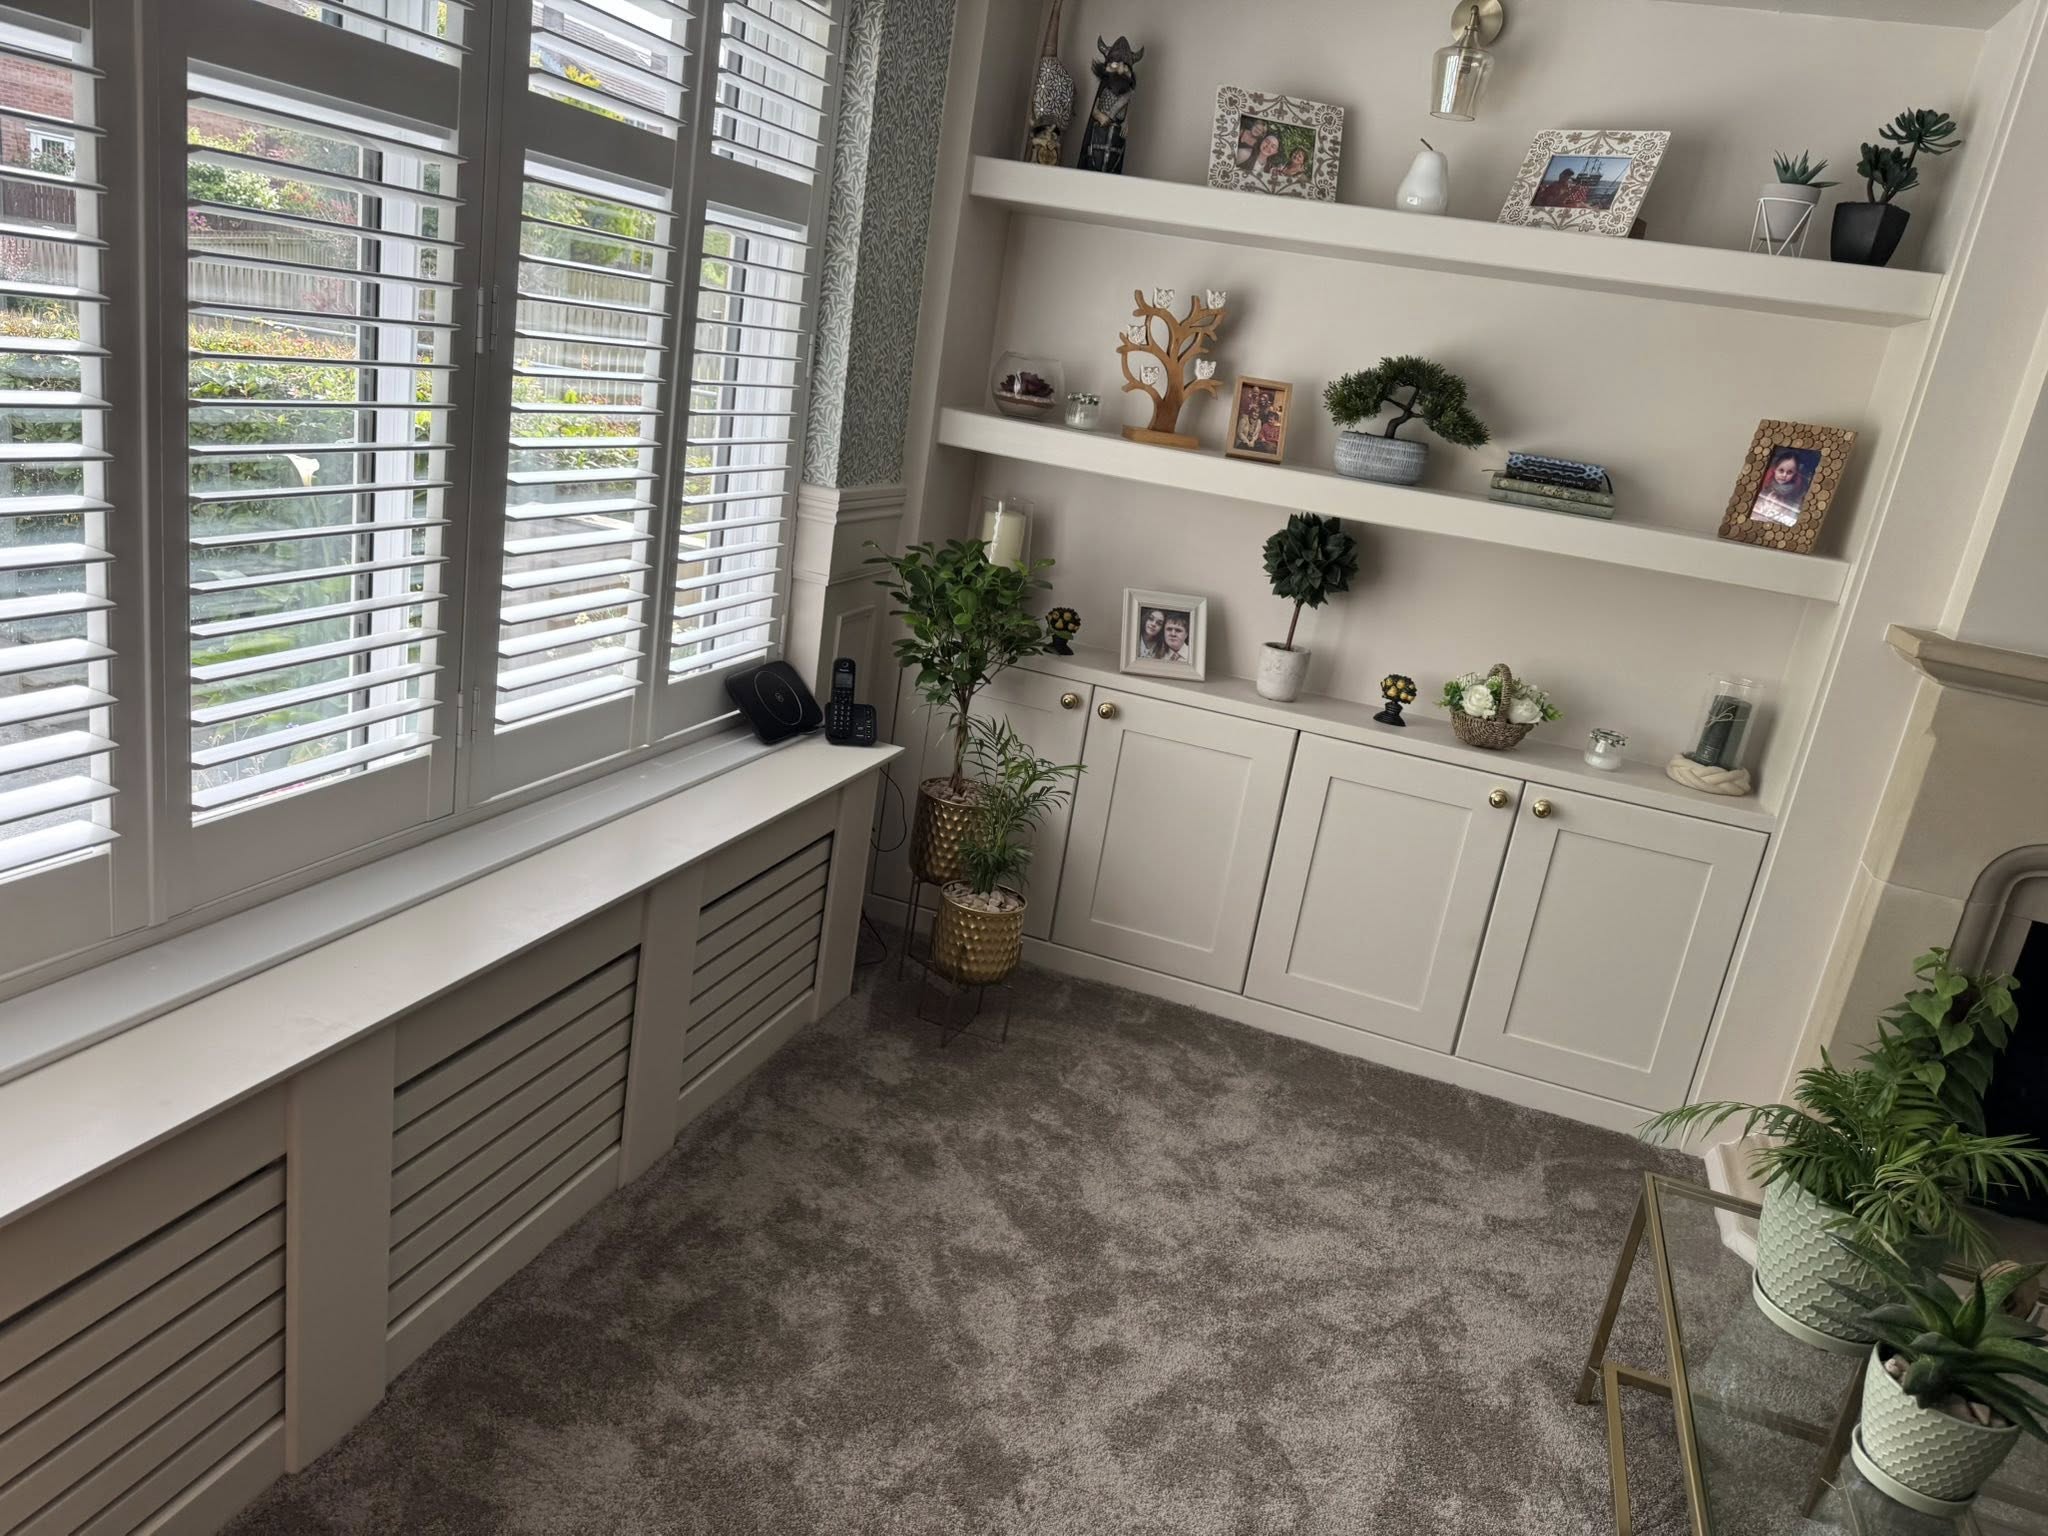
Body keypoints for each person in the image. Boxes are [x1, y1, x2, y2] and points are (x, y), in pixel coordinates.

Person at [1750, 449, 1812, 526]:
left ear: (1795, 474)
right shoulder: (1765, 485)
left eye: (1789, 472)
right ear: (1775, 469)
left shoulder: (1796, 492)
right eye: (1781, 470)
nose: (1784, 475)